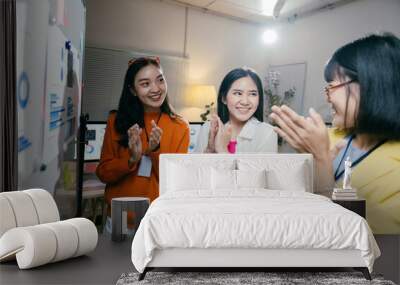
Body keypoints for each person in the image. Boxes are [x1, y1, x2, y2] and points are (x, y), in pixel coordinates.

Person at [269, 33, 400, 234]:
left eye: (332, 87)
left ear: (369, 86)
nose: (327, 97)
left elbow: (352, 240)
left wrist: (321, 161)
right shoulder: (329, 137)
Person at [96, 57, 190, 228]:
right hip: (121, 217)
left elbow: (177, 182)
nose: (156, 89)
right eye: (145, 84)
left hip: (159, 219)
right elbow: (103, 174)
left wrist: (154, 151)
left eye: (160, 80)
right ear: (132, 90)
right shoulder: (116, 121)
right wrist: (131, 159)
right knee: (115, 256)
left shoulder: (180, 127)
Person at [195, 67, 277, 153]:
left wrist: (222, 149)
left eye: (253, 94)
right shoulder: (207, 128)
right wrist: (209, 150)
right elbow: (195, 166)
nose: (245, 102)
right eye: (238, 93)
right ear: (224, 98)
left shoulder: (267, 133)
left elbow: (261, 167)